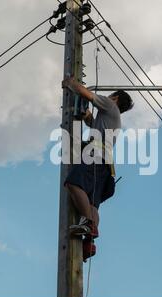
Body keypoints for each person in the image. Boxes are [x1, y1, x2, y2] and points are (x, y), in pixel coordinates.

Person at [61, 77, 134, 261]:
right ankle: (88, 242)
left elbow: (84, 92)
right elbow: (93, 124)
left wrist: (70, 83)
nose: (108, 96)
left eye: (111, 95)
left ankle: (87, 224)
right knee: (92, 204)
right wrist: (87, 116)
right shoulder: (111, 118)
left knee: (73, 183)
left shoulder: (110, 105)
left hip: (95, 156)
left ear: (115, 98)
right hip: (106, 165)